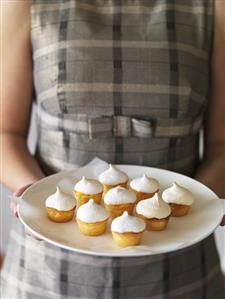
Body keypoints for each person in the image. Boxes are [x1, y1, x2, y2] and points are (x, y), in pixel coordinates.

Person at [1, 0, 225, 298]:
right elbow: (5, 133)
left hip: (181, 273)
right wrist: (29, 191)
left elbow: (222, 143)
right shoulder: (23, 3)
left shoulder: (214, 7)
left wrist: (201, 208)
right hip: (46, 273)